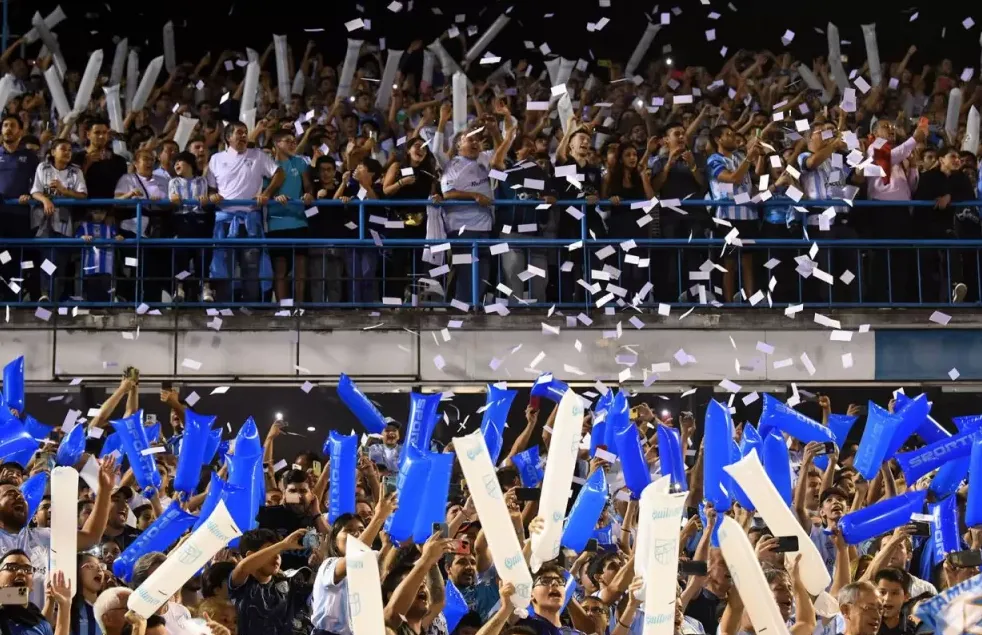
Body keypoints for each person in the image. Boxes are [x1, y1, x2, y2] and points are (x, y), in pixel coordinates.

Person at [0, 459, 113, 606]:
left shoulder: (44, 537)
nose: (19, 496)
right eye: (10, 494)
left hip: (45, 627)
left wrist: (105, 490)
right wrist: (26, 601)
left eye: (21, 495)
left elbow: (91, 537)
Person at [439, 103, 516, 304]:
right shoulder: (452, 165)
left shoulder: (483, 157)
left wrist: (495, 129)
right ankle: (459, 314)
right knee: (465, 274)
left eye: (477, 140)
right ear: (458, 145)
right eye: (469, 140)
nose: (475, 143)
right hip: (462, 229)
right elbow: (447, 194)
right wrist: (474, 196)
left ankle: (472, 310)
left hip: (485, 228)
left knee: (482, 274)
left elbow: (501, 152)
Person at [207, 121, 284, 303]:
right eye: (239, 133)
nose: (243, 136)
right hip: (224, 222)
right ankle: (224, 307)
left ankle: (252, 309)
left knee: (251, 267)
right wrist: (212, 196)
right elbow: (211, 189)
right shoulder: (216, 159)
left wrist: (266, 193)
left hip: (250, 219)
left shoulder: (258, 155)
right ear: (228, 137)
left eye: (245, 133)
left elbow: (279, 173)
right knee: (225, 266)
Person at [707, 125, 762, 302]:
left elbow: (752, 177)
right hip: (727, 217)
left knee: (748, 262)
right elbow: (733, 179)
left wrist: (756, 153)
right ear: (718, 140)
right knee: (729, 263)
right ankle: (729, 304)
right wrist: (748, 158)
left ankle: (752, 302)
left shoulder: (740, 157)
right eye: (728, 135)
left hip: (749, 215)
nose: (732, 137)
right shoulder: (714, 160)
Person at [29, 139, 87, 301]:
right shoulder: (43, 167)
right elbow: (35, 191)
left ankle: (54, 300)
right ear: (53, 152)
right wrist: (46, 200)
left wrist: (64, 190)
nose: (68, 152)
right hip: (45, 223)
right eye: (63, 149)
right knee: (48, 258)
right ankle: (45, 294)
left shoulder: (76, 172)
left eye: (70, 150)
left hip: (65, 223)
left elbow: (83, 195)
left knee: (60, 264)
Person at [228, 528, 312, 635]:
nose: (277, 556)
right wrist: (282, 545)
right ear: (250, 555)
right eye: (271, 550)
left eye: (280, 552)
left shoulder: (288, 583)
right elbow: (243, 567)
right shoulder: (241, 585)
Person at [265, 130, 314, 304]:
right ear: (277, 143)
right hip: (276, 223)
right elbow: (263, 194)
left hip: (299, 221)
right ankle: (284, 307)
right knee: (281, 269)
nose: (293, 144)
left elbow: (308, 186)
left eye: (294, 141)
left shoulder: (300, 163)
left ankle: (299, 307)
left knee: (300, 268)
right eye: (288, 141)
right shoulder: (268, 165)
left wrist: (308, 195)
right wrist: (274, 197)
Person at [0, 114, 41, 301]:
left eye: (12, 125)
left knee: (15, 259)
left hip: (19, 216)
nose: (8, 129)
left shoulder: (30, 157)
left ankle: (12, 299)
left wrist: (32, 194)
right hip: (1, 215)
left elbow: (42, 185)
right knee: (2, 258)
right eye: (5, 125)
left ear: (20, 131)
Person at [167, 151, 214, 302]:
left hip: (199, 221)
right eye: (175, 164)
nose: (177, 165)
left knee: (203, 254)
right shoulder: (173, 182)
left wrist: (204, 200)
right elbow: (172, 199)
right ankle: (179, 286)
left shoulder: (202, 181)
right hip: (182, 220)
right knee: (181, 255)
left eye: (180, 162)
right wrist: (173, 200)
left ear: (190, 163)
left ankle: (205, 287)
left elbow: (205, 201)